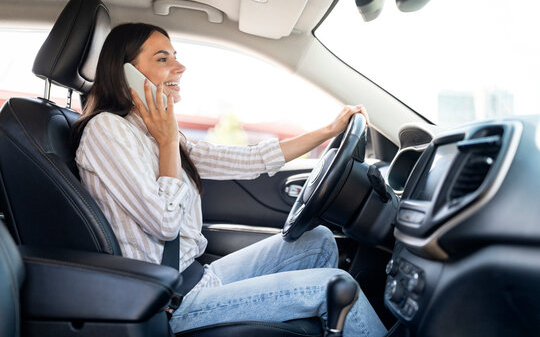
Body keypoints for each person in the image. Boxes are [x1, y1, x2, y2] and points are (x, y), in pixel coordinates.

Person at [72, 23, 386, 337]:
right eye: (163, 59)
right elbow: (164, 223)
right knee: (337, 287)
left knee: (317, 241)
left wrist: (329, 130)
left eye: (175, 57)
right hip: (171, 300)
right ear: (127, 73)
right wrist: (168, 143)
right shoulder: (107, 131)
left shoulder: (152, 133)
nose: (181, 67)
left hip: (196, 277)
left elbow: (250, 159)